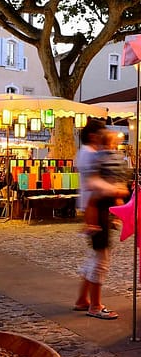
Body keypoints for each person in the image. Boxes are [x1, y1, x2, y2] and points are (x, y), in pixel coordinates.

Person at [74, 120, 129, 320]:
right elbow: (96, 184)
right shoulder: (92, 154)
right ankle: (95, 306)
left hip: (98, 209)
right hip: (97, 210)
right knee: (100, 258)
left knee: (95, 257)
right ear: (93, 136)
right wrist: (118, 190)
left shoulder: (88, 153)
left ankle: (82, 300)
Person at [84, 130, 129, 235]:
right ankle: (117, 219)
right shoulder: (120, 156)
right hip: (119, 186)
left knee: (91, 202)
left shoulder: (98, 155)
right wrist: (122, 183)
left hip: (106, 187)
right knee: (118, 200)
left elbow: (95, 171)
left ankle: (92, 225)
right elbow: (124, 170)